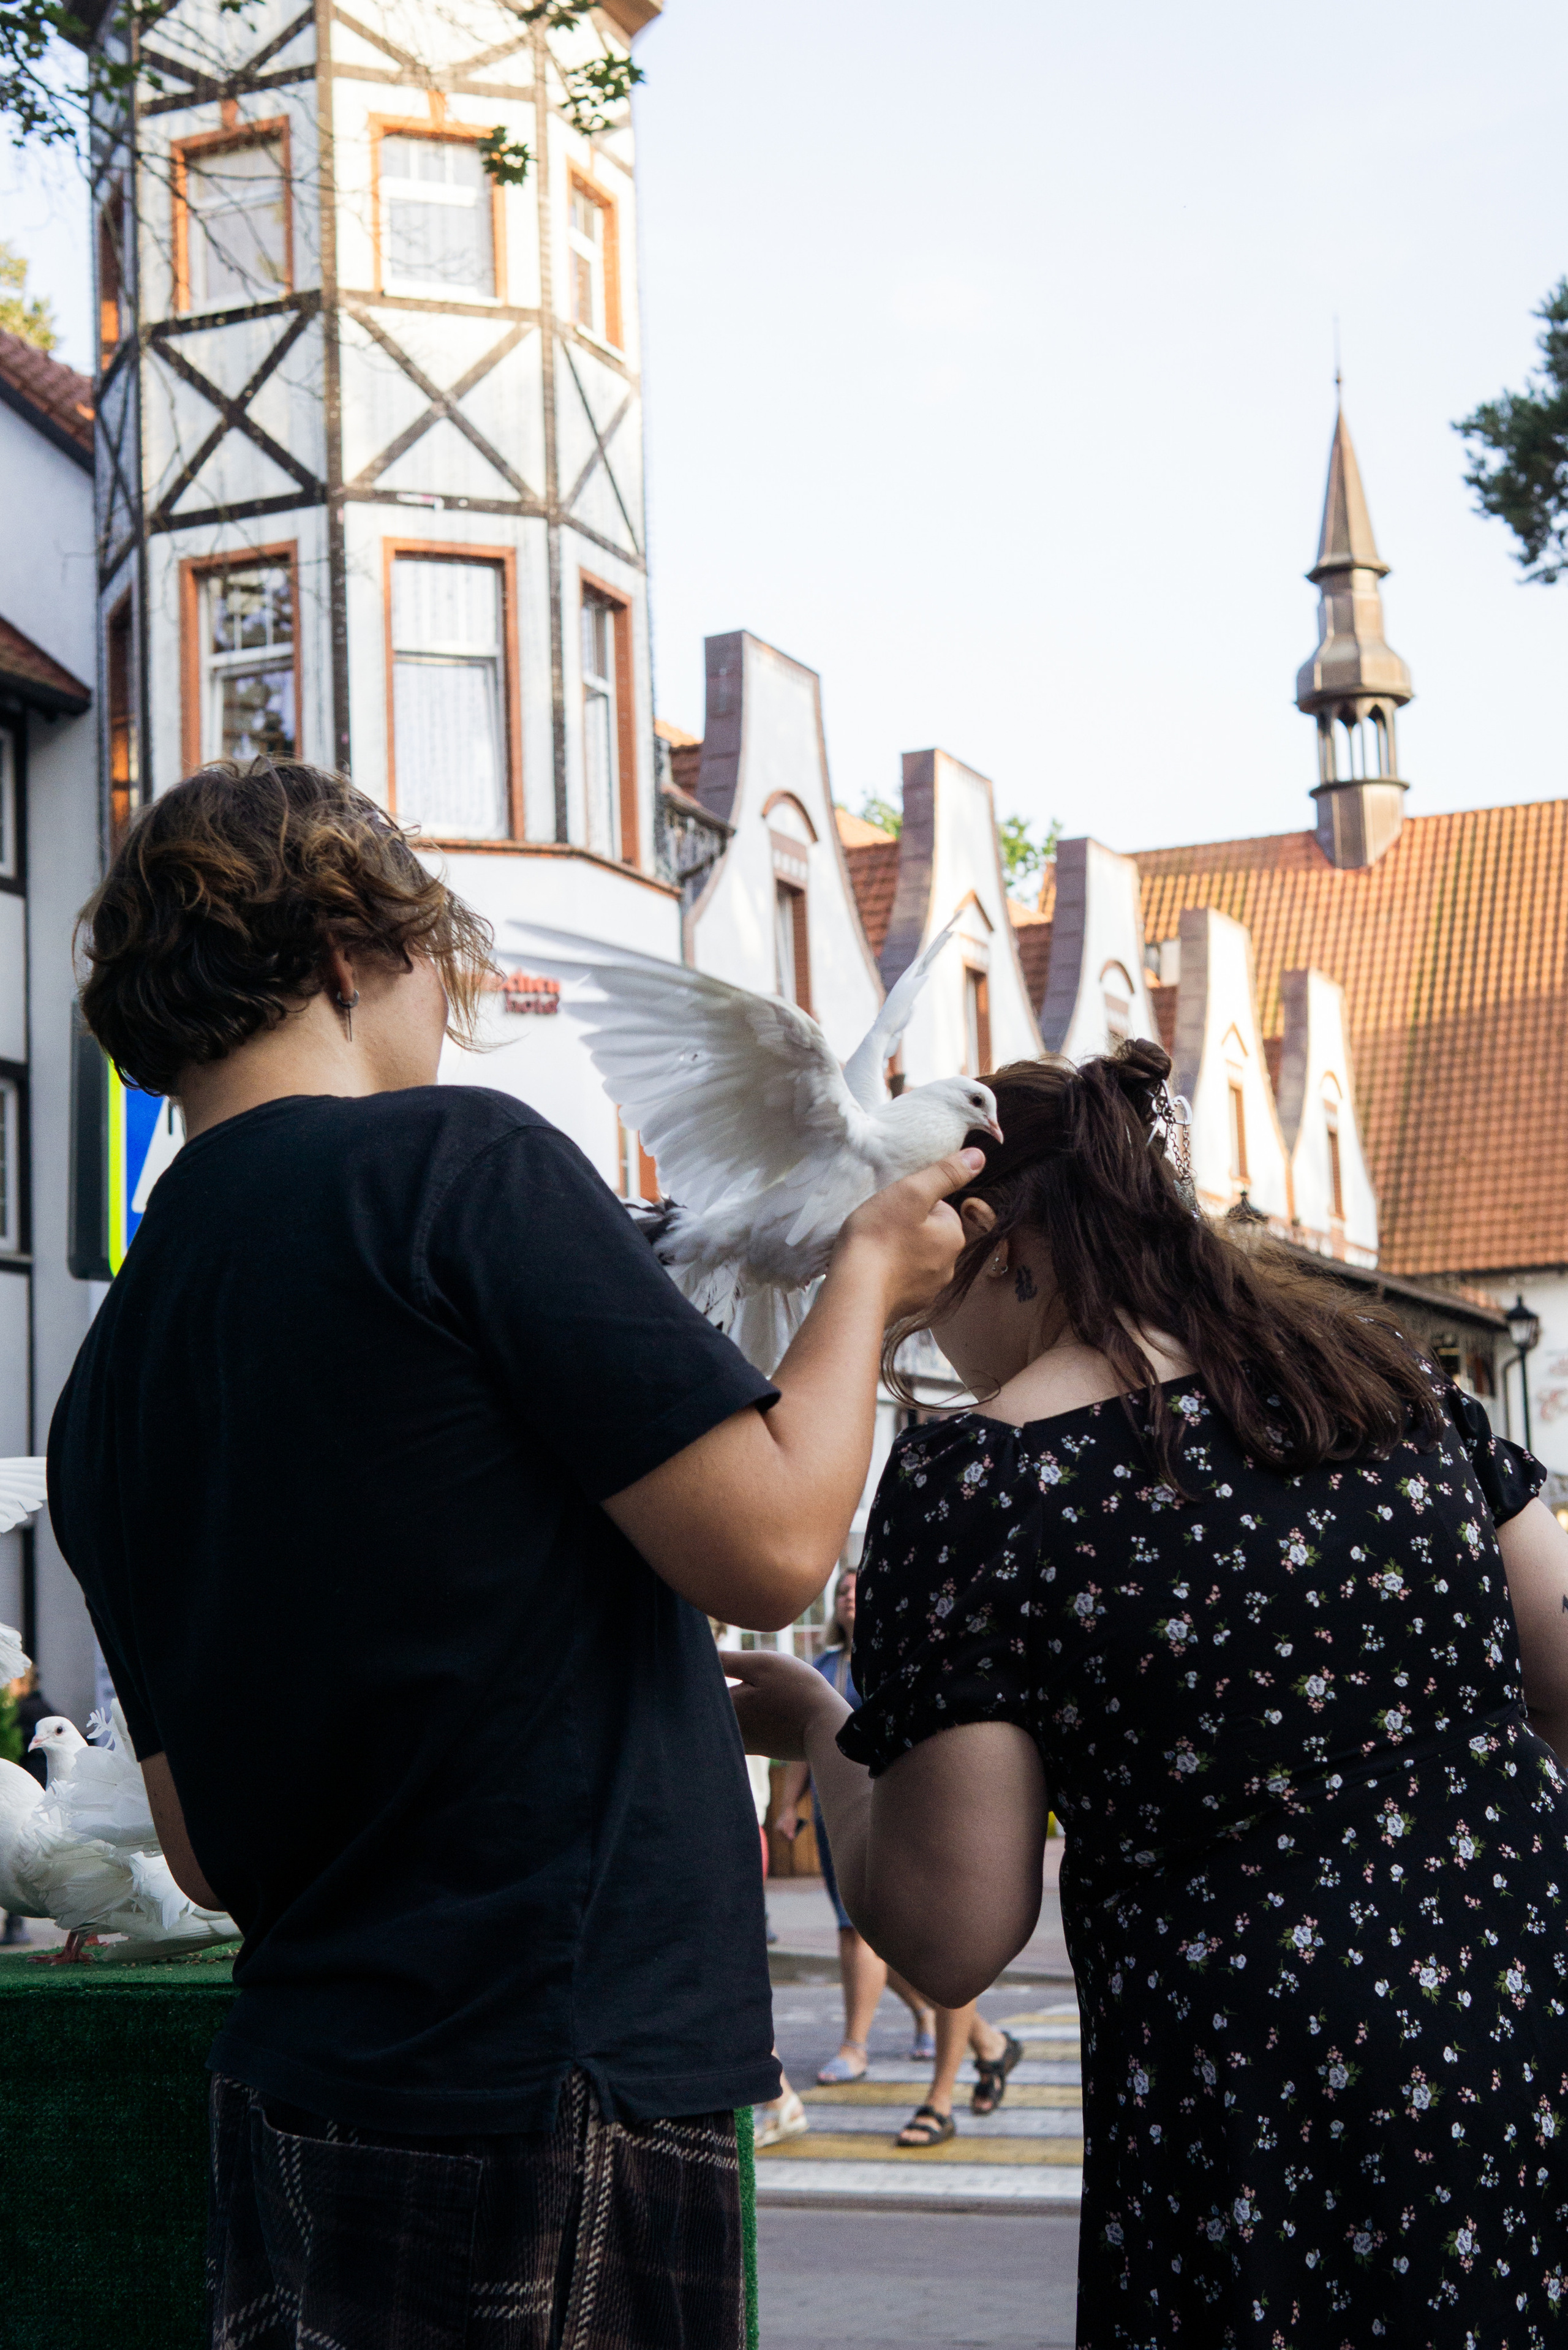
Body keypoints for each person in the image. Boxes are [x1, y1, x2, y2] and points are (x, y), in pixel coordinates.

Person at [47, 759, 979, 2350]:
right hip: (551, 2080)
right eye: (441, 965)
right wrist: (873, 1269)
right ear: (355, 948)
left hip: (304, 2082)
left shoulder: (104, 1387)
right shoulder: (453, 1168)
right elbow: (771, 1538)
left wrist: (639, 1692)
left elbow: (206, 1852)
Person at [726, 1041, 1568, 2346]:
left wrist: (822, 1730)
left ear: (999, 1246)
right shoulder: (1386, 1380)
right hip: (1529, 2040)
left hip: (1257, 2130)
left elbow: (953, 1928)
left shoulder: (982, 1483)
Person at [774, 1569, 1022, 2141]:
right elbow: (804, 1747)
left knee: (939, 1950)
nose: (850, 1599)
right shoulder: (830, 1666)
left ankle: (938, 2098)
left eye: (860, 1588)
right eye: (842, 1592)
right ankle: (989, 2043)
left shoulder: (923, 1653)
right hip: (853, 1814)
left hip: (927, 1818)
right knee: (866, 1937)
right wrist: (789, 1805)